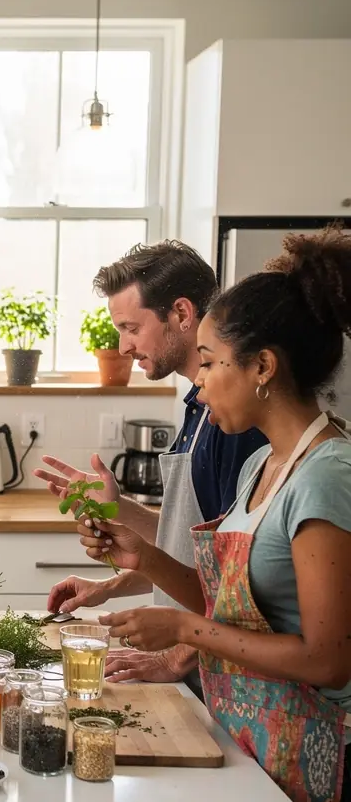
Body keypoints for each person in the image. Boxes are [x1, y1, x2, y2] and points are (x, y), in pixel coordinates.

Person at [76, 227, 351, 802]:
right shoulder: (267, 460)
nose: (199, 387)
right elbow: (230, 597)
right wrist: (141, 557)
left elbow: (328, 656)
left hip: (313, 764)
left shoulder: (328, 475)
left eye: (211, 366)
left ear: (262, 367)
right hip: (251, 744)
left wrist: (184, 632)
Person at [34, 241, 266, 694]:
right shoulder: (199, 408)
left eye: (130, 327)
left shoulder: (234, 422)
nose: (122, 346)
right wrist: (117, 510)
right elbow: (191, 544)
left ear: (181, 313)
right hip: (190, 666)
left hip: (213, 677)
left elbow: (243, 581)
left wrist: (176, 655)